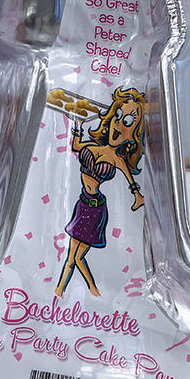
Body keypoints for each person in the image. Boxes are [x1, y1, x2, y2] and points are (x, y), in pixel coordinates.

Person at [54, 87, 146, 298]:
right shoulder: (93, 147)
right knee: (73, 256)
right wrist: (77, 123)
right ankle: (72, 290)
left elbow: (132, 183)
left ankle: (81, 290)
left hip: (95, 210)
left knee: (75, 256)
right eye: (118, 116)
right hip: (82, 204)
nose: (118, 124)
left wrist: (138, 197)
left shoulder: (117, 160)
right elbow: (76, 145)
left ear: (134, 134)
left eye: (128, 122)